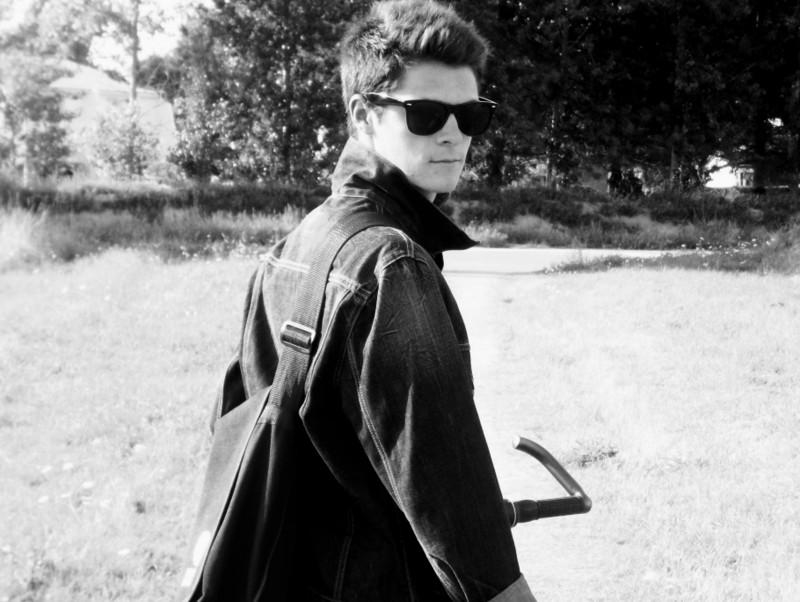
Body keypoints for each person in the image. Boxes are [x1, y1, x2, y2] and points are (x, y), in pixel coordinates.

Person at [219, 1, 536, 599]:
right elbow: (452, 502)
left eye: (471, 115)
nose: (453, 134)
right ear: (364, 116)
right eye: (425, 114)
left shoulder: (295, 244)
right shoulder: (392, 264)